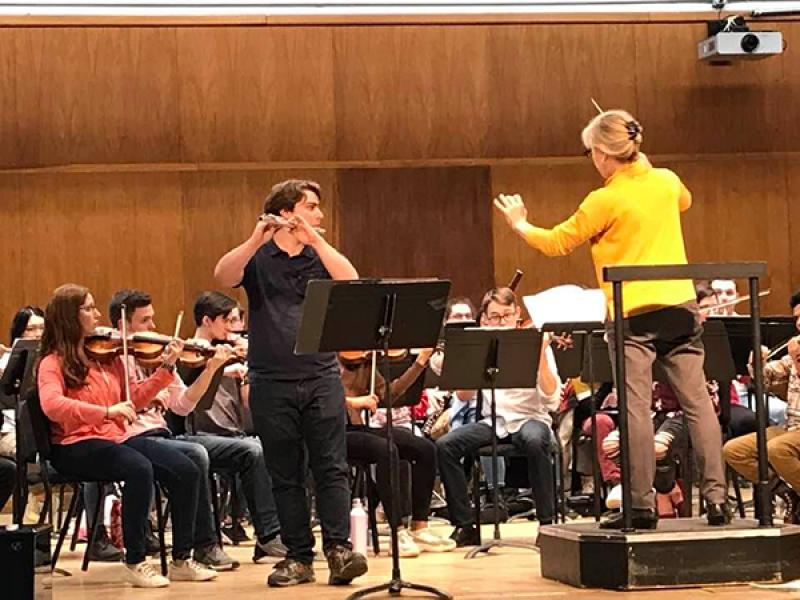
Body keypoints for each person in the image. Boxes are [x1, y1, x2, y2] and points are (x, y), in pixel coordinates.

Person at [495, 109, 730, 528]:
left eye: (591, 152)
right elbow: (684, 200)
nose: (592, 159)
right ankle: (716, 501)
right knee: (699, 405)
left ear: (604, 153)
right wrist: (643, 163)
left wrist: (520, 224)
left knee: (635, 408)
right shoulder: (666, 179)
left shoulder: (604, 199)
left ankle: (639, 507)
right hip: (680, 307)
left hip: (632, 313)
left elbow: (557, 242)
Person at [214, 179, 367, 587]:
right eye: (311, 206)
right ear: (287, 212)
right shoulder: (259, 258)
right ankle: (299, 556)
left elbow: (350, 279)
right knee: (285, 473)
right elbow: (223, 274)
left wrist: (314, 240)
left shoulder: (320, 256)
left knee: (332, 467)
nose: (319, 214)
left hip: (319, 376)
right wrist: (253, 239)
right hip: (270, 379)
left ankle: (338, 549)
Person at [37, 283, 217, 587]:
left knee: (185, 469)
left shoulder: (108, 358)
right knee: (138, 468)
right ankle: (135, 561)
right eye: (89, 308)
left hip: (114, 438)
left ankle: (182, 560)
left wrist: (167, 367)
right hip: (74, 444)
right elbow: (52, 406)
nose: (97, 315)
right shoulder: (52, 362)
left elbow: (134, 401)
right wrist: (106, 412)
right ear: (70, 315)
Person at [107, 288, 241, 571]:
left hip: (159, 435)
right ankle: (201, 546)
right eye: (145, 321)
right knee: (196, 454)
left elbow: (182, 406)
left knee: (195, 456)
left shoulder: (155, 356)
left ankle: (188, 553)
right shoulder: (112, 359)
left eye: (152, 319)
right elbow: (118, 403)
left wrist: (210, 369)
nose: (154, 328)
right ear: (123, 325)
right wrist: (160, 375)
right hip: (129, 437)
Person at [435, 287, 561, 546]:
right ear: (484, 320)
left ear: (517, 315)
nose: (501, 322)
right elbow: (465, 395)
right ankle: (465, 525)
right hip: (495, 422)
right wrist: (470, 364)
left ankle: (547, 526)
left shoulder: (534, 344)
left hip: (531, 418)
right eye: (494, 316)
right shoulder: (482, 346)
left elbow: (552, 400)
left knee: (536, 441)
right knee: (446, 445)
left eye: (506, 315)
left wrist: (540, 354)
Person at [341, 348, 456, 558]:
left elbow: (389, 394)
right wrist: (353, 402)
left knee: (424, 448)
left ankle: (419, 526)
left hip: (358, 429)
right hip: (333, 432)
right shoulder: (326, 362)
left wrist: (419, 363)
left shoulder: (365, 362)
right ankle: (397, 531)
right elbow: (322, 397)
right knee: (386, 450)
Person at [723, 289, 800, 522]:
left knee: (778, 449)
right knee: (734, 451)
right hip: (792, 428)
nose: (798, 324)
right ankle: (790, 495)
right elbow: (770, 378)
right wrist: (758, 365)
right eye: (796, 318)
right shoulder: (796, 350)